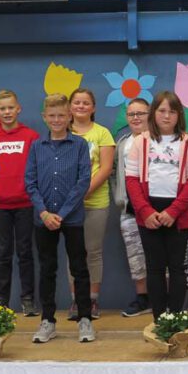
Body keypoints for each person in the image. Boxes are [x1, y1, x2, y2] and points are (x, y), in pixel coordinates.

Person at [125, 91, 188, 320]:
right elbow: (131, 180)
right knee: (155, 267)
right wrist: (145, 211)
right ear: (154, 113)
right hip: (148, 212)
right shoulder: (140, 141)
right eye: (162, 111)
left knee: (177, 267)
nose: (166, 116)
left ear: (179, 115)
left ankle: (175, 318)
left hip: (178, 213)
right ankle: (160, 319)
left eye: (172, 111)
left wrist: (173, 211)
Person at [25, 93, 95, 344]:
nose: (56, 120)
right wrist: (44, 212)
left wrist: (62, 214)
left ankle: (85, 318)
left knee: (79, 268)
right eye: (52, 116)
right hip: (43, 219)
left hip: (71, 218)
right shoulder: (36, 147)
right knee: (47, 269)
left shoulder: (79, 145)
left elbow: (83, 181)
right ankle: (48, 320)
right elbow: (30, 182)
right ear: (44, 117)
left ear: (69, 116)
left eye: (61, 115)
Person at [0, 89, 40, 316]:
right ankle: (2, 300)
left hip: (25, 203)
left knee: (25, 253)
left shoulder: (31, 136)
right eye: (2, 108)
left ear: (18, 109)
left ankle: (28, 299)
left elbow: (37, 169)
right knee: (3, 253)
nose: (7, 112)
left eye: (10, 108)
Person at [68, 88, 115, 320]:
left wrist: (83, 192)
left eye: (86, 103)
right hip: (68, 205)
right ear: (70, 107)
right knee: (73, 253)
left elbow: (106, 168)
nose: (81, 106)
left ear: (93, 107)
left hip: (95, 202)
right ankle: (77, 301)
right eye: (77, 102)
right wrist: (71, 197)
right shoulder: (62, 132)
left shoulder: (102, 133)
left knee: (93, 252)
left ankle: (92, 300)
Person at [113, 98, 150, 317]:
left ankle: (165, 298)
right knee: (135, 255)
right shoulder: (122, 143)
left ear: (150, 115)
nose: (136, 118)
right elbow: (114, 173)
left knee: (161, 256)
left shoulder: (158, 141)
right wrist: (119, 197)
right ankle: (143, 298)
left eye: (140, 113)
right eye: (131, 114)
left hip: (156, 209)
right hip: (129, 209)